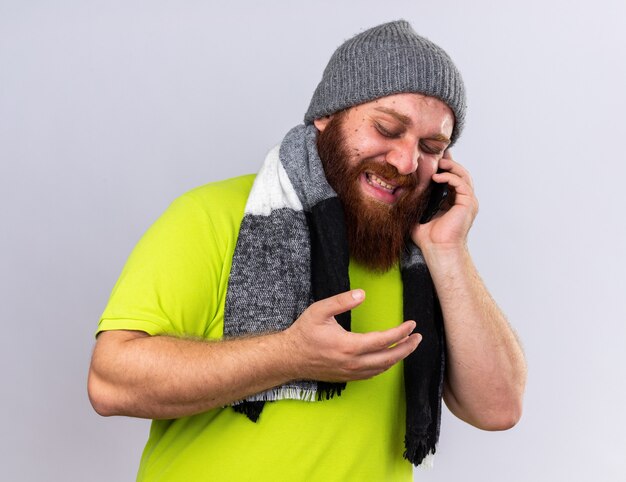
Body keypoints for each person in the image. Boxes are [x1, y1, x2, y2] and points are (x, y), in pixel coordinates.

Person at [88, 20, 527, 482]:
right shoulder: (212, 215)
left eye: (431, 146)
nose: (405, 161)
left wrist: (448, 250)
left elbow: (498, 408)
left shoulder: (425, 255)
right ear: (327, 116)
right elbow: (109, 383)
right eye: (386, 128)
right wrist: (290, 356)